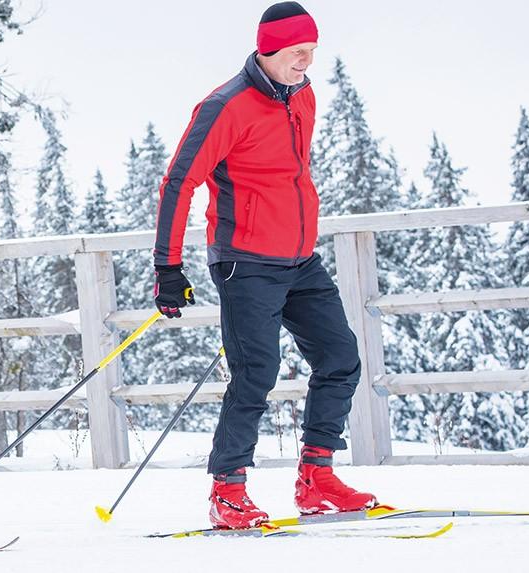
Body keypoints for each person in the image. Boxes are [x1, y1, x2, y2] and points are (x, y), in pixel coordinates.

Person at [150, 2, 380, 530]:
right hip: (245, 262)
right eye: (298, 52)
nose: (307, 62)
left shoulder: (303, 95)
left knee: (341, 358)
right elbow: (179, 182)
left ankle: (316, 478)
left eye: (312, 51)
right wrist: (168, 267)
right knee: (256, 373)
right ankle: (228, 491)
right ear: (269, 49)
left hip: (300, 259)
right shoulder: (225, 106)